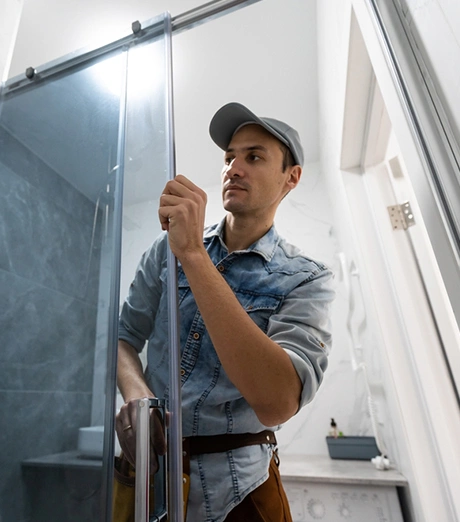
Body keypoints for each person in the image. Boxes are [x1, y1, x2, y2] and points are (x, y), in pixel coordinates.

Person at [115, 102, 334, 521]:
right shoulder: (166, 250)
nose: (233, 168)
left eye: (253, 156)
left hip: (239, 496)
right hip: (149, 475)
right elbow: (124, 336)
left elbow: (276, 402)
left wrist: (194, 255)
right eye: (229, 157)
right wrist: (135, 393)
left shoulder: (307, 279)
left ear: (292, 178)